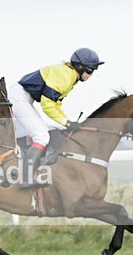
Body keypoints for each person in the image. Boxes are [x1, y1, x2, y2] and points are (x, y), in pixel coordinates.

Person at [7, 47, 104, 189]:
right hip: (18, 97)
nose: (91, 75)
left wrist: (67, 122)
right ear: (80, 67)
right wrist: (66, 122)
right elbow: (47, 105)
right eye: (90, 70)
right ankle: (26, 178)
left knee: (46, 131)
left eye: (94, 71)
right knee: (41, 136)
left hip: (24, 98)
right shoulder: (65, 76)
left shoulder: (70, 77)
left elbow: (56, 104)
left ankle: (29, 168)